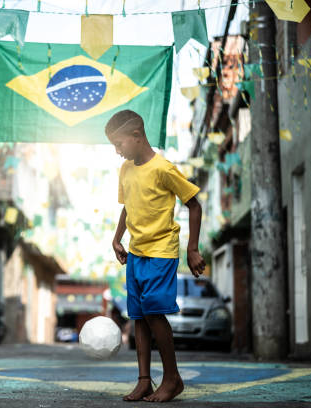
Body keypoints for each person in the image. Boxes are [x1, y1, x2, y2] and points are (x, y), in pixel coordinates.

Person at [106, 110, 205, 403]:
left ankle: (172, 379)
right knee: (137, 315)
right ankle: (144, 380)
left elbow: (195, 205)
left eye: (119, 144)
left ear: (137, 137)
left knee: (152, 311)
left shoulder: (164, 168)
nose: (117, 151)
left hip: (161, 251)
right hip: (136, 252)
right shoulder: (125, 170)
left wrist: (193, 248)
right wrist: (117, 238)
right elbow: (128, 205)